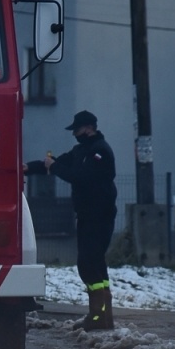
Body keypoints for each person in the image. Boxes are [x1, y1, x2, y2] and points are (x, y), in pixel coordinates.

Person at [26, 110, 118, 330]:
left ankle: (98, 316)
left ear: (88, 127)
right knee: (95, 263)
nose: (74, 134)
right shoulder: (81, 150)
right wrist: (28, 168)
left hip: (99, 215)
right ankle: (102, 316)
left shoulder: (99, 151)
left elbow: (80, 176)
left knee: (88, 263)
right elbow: (58, 162)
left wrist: (54, 167)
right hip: (87, 214)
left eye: (76, 130)